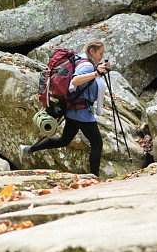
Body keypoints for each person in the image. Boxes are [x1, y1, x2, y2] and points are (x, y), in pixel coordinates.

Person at [19, 39, 111, 176]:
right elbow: (75, 81)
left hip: (73, 112)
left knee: (64, 140)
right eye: (100, 53)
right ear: (92, 51)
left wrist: (98, 71)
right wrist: (96, 73)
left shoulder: (85, 62)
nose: (102, 56)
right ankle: (94, 177)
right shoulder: (86, 66)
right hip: (82, 113)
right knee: (97, 145)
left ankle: (28, 149)